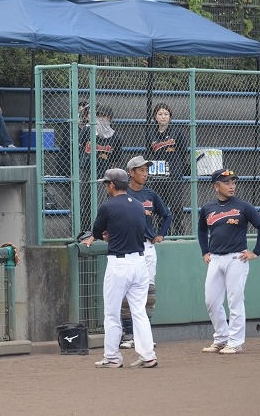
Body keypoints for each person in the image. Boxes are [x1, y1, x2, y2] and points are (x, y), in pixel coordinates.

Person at [80, 169, 158, 369]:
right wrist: (112, 234)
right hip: (140, 263)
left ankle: (113, 357)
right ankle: (148, 355)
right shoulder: (139, 205)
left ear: (113, 185)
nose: (106, 187)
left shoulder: (107, 206)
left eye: (107, 184)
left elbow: (97, 231)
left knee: (112, 313)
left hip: (119, 264)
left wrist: (106, 236)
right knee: (139, 312)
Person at [198, 169, 260, 355]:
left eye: (233, 182)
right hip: (215, 258)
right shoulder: (207, 208)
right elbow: (201, 230)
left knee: (235, 301)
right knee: (211, 301)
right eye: (227, 183)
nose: (231, 186)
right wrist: (204, 251)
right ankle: (221, 338)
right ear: (216, 186)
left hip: (236, 258)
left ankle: (235, 342)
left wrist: (256, 252)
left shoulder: (243, 206)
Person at [120, 155, 172, 349]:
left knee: (148, 294)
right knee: (127, 294)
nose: (145, 174)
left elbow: (167, 214)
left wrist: (161, 234)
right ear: (131, 173)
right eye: (141, 170)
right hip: (128, 247)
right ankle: (129, 335)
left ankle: (144, 336)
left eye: (146, 170)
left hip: (147, 247)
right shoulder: (122, 193)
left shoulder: (150, 194)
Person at [79, 103, 123, 230]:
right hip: (86, 170)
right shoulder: (88, 131)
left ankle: (100, 231)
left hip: (104, 174)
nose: (101, 119)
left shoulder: (115, 136)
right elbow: (80, 147)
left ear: (110, 118)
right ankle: (85, 230)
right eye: (99, 116)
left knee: (101, 204)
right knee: (84, 202)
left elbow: (116, 157)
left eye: (105, 116)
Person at [147, 103, 188, 235]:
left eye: (166, 114)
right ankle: (163, 232)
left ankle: (179, 232)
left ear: (170, 116)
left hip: (174, 172)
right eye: (160, 114)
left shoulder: (177, 132)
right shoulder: (151, 133)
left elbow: (183, 152)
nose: (163, 117)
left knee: (176, 204)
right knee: (160, 205)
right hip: (158, 173)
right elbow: (149, 152)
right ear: (155, 117)